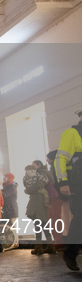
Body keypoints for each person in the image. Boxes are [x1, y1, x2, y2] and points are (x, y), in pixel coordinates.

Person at [55, 108, 82, 271]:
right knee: (80, 220)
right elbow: (60, 158)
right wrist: (63, 182)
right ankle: (70, 253)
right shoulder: (72, 133)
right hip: (79, 184)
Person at [1, 173, 19, 248]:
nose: (4, 179)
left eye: (5, 177)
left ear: (9, 178)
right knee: (9, 226)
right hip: (7, 209)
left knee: (13, 226)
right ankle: (12, 242)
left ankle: (16, 242)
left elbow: (5, 195)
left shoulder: (12, 187)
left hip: (12, 209)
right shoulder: (7, 187)